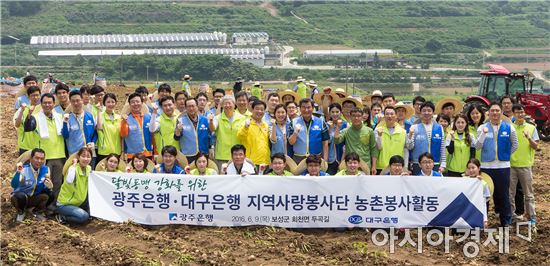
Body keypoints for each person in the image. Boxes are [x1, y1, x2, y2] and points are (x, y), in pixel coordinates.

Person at [475, 102, 518, 226]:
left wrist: (505, 155)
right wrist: (483, 133)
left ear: (501, 112)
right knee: (485, 196)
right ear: (488, 113)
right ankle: (482, 221)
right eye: (492, 111)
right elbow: (478, 146)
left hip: (503, 167)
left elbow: (515, 144)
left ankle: (506, 222)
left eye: (497, 110)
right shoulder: (481, 128)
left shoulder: (509, 127)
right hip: (486, 167)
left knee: (503, 195)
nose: (495, 113)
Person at [24, 93, 66, 205]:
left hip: (59, 155)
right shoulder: (35, 117)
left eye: (50, 102)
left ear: (53, 104)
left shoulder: (60, 117)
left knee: (57, 183)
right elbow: (28, 127)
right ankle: (42, 207)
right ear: (41, 104)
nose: (47, 105)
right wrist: (28, 116)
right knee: (43, 183)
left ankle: (53, 207)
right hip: (43, 158)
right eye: (45, 103)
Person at [509, 104, 538, 224]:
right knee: (510, 193)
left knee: (528, 194)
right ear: (513, 114)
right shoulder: (509, 127)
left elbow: (536, 146)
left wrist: (528, 138)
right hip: (511, 166)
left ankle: (532, 217)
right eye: (517, 112)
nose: (519, 115)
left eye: (521, 112)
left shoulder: (531, 128)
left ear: (524, 113)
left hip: (526, 165)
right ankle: (511, 216)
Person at [11, 148, 52, 222]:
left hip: (34, 197)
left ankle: (36, 211)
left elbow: (45, 188)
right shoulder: (24, 170)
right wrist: (18, 173)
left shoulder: (45, 170)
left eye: (41, 159)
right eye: (37, 158)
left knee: (50, 195)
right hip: (21, 198)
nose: (39, 161)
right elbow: (14, 185)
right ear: (31, 158)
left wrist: (48, 186)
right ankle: (21, 212)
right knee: (20, 196)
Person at [335, 108, 378, 175]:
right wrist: (337, 127)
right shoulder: (346, 130)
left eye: (358, 116)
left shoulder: (369, 131)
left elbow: (374, 149)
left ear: (362, 117)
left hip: (365, 165)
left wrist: (374, 166)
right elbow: (337, 140)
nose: (356, 118)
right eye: (354, 116)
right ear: (350, 117)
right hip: (350, 165)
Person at [407, 101, 446, 175]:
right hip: (418, 164)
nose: (426, 113)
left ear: (433, 113)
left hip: (435, 164)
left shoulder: (439, 128)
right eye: (424, 111)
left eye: (429, 111)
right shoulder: (414, 127)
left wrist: (443, 164)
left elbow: (442, 147)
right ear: (420, 113)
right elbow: (409, 147)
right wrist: (410, 135)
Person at [56, 147, 93, 224]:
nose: (85, 159)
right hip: (65, 204)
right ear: (78, 157)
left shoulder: (89, 168)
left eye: (88, 156)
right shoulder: (73, 168)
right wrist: (74, 165)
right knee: (84, 216)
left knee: (92, 213)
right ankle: (62, 217)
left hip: (78, 203)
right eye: (83, 156)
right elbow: (69, 181)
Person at [209, 95, 246, 170]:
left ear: (234, 104)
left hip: (238, 155)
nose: (227, 105)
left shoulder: (242, 118)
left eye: (230, 103)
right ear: (222, 105)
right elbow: (212, 128)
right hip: (222, 155)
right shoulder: (217, 118)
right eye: (225, 103)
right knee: (223, 177)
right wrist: (211, 121)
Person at [292, 98, 330, 163]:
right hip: (298, 158)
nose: (306, 110)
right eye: (303, 107)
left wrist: (325, 160)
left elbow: (325, 143)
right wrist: (295, 133)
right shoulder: (294, 122)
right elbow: (290, 142)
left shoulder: (320, 121)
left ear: (313, 108)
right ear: (300, 109)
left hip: (316, 157)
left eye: (309, 107)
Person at [174, 97, 210, 164]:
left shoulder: (205, 120)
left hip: (203, 154)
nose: (191, 108)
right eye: (188, 106)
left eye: (193, 106)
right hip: (188, 155)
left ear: (197, 106)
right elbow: (176, 137)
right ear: (185, 108)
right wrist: (178, 130)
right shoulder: (180, 120)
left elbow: (209, 136)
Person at [62, 90, 97, 157]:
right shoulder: (67, 118)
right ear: (70, 102)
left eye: (78, 100)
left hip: (89, 154)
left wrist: (93, 142)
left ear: (82, 100)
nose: (76, 103)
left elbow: (95, 132)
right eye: (73, 101)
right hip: (74, 155)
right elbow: (65, 136)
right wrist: (65, 123)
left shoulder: (90, 116)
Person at [120, 93, 153, 160]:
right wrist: (124, 122)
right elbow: (123, 135)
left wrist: (156, 152)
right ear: (129, 104)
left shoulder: (149, 118)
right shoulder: (126, 119)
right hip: (132, 155)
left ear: (142, 103)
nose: (135, 104)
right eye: (133, 102)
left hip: (148, 154)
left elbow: (153, 136)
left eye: (137, 101)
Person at [375, 106, 408, 174]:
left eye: (392, 114)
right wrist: (379, 136)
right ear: (384, 116)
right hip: (382, 166)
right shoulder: (377, 130)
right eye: (387, 114)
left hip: (398, 167)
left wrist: (405, 166)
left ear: (396, 116)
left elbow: (405, 150)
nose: (389, 116)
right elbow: (378, 147)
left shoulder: (403, 131)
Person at [238, 100, 270, 166]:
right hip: (251, 162)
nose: (259, 111)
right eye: (257, 109)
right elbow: (240, 136)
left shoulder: (265, 125)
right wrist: (245, 127)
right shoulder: (245, 122)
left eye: (262, 109)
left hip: (265, 161)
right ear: (252, 109)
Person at [14, 86, 41, 155]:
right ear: (28, 97)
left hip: (40, 145)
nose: (35, 97)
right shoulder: (23, 109)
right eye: (33, 95)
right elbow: (17, 125)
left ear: (40, 95)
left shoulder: (43, 109)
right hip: (25, 146)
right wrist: (22, 111)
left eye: (37, 95)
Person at [96, 93, 123, 163]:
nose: (111, 104)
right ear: (104, 103)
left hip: (117, 151)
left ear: (116, 103)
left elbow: (121, 136)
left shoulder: (119, 117)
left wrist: (122, 151)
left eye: (113, 102)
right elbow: (99, 127)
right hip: (104, 152)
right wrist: (99, 111)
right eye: (108, 102)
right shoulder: (100, 115)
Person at [326, 103, 347, 175]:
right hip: (330, 158)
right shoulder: (326, 125)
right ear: (329, 113)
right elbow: (327, 141)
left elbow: (346, 143)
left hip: (341, 157)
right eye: (333, 112)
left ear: (341, 112)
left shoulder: (345, 125)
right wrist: (330, 128)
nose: (335, 114)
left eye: (337, 112)